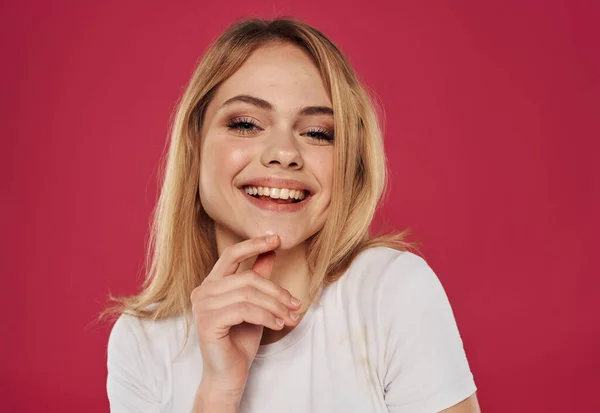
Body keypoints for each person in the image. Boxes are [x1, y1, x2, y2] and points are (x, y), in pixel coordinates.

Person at [103, 17, 480, 413]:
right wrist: (218, 392)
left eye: (318, 133)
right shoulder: (141, 340)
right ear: (195, 148)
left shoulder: (391, 291)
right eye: (246, 124)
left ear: (349, 162)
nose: (284, 152)